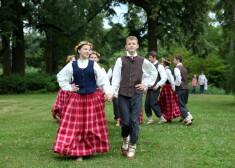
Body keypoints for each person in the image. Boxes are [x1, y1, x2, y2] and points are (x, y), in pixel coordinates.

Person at [53, 41, 113, 162]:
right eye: (85, 49)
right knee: (75, 125)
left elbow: (103, 79)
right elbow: (61, 76)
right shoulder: (72, 65)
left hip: (91, 98)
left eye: (89, 49)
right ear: (79, 51)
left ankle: (88, 149)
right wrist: (69, 87)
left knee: (90, 125)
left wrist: (107, 91)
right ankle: (77, 152)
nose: (88, 51)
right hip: (77, 98)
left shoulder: (94, 64)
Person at [111, 36, 158, 159]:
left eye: (133, 43)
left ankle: (132, 146)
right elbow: (116, 77)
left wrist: (145, 84)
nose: (131, 45)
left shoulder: (143, 61)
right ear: (126, 46)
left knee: (134, 121)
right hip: (122, 94)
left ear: (137, 46)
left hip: (136, 94)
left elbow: (154, 72)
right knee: (125, 122)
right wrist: (113, 92)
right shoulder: (120, 60)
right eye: (129, 44)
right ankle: (125, 140)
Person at [144, 51, 167, 124]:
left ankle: (161, 118)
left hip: (155, 88)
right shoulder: (149, 66)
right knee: (147, 103)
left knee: (153, 103)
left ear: (154, 57)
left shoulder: (159, 66)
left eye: (150, 57)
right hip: (149, 88)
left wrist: (157, 85)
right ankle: (150, 119)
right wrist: (145, 88)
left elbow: (164, 77)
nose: (149, 58)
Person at [51, 55, 76, 122]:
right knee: (63, 103)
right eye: (72, 60)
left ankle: (69, 117)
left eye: (74, 60)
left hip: (73, 88)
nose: (74, 61)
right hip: (67, 89)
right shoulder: (68, 67)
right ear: (69, 61)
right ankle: (60, 116)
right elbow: (61, 77)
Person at [173, 55, 194, 126]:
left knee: (181, 104)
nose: (173, 61)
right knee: (183, 103)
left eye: (174, 60)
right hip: (186, 88)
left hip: (181, 88)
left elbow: (178, 77)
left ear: (178, 60)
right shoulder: (184, 68)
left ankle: (188, 119)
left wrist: (177, 85)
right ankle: (190, 116)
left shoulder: (177, 68)